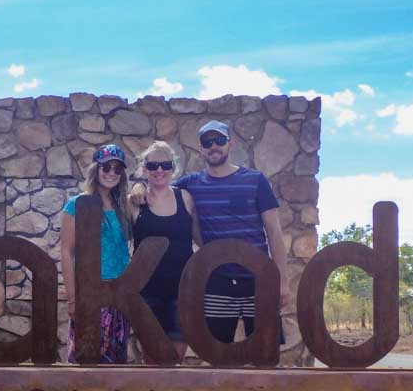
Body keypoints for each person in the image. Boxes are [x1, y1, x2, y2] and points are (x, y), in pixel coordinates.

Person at [130, 120, 290, 344]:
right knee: (217, 353)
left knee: (267, 351)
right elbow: (159, 183)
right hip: (217, 281)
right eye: (208, 141)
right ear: (200, 148)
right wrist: (137, 186)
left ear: (230, 144)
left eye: (219, 140)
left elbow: (274, 232)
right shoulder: (191, 184)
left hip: (258, 278)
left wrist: (282, 282)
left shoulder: (256, 180)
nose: (214, 146)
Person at [59, 144, 133, 363]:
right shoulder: (77, 204)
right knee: (85, 356)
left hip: (118, 294)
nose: (111, 173)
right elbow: (66, 251)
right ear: (96, 169)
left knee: (115, 361)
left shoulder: (123, 206)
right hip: (91, 293)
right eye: (106, 167)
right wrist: (73, 300)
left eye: (117, 169)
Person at [130, 141, 200, 360]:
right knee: (150, 358)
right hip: (146, 292)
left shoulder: (186, 198)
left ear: (173, 168)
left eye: (165, 164)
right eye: (153, 165)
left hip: (182, 289)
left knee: (175, 357)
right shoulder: (134, 202)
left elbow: (201, 238)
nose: (159, 170)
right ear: (144, 169)